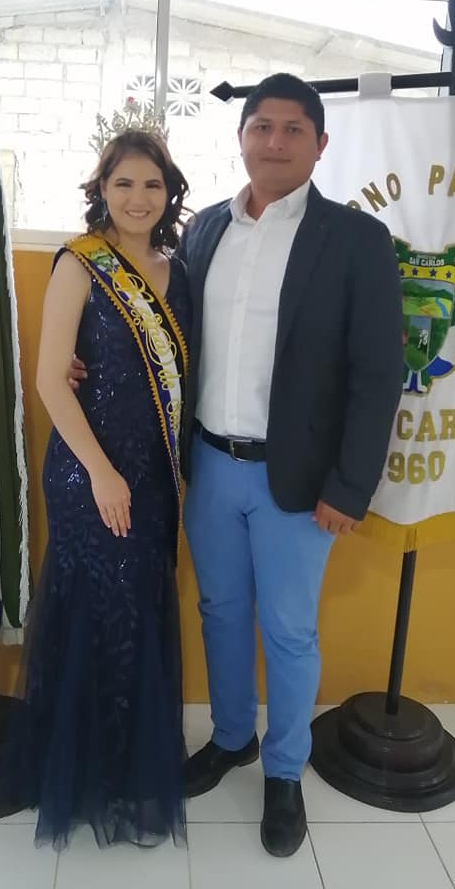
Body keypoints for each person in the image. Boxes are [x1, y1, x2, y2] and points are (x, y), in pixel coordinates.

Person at [178, 72, 403, 857]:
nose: (274, 142)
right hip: (209, 465)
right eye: (261, 127)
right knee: (220, 612)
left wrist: (350, 486)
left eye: (293, 129)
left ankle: (283, 771)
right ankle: (231, 737)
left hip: (300, 482)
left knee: (288, 630)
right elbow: (171, 337)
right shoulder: (205, 230)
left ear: (319, 144)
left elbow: (378, 375)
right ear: (241, 138)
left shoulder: (357, 241)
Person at [7, 128, 191, 850]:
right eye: (124, 184)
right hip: (91, 473)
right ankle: (80, 770)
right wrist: (102, 472)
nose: (138, 198)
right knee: (92, 610)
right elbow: (52, 380)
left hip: (155, 473)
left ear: (169, 193)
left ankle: (126, 762)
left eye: (152, 185)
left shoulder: (180, 271)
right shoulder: (79, 264)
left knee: (139, 612)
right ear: (102, 191)